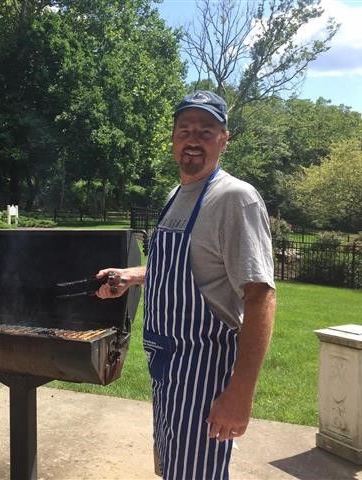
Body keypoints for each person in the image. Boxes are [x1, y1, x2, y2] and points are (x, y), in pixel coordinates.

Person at [96, 91, 276, 479]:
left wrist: (240, 393)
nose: (193, 139)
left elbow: (260, 296)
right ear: (174, 138)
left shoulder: (234, 198)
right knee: (176, 470)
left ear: (224, 139)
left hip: (205, 372)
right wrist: (132, 277)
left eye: (206, 131)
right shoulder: (176, 195)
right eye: (185, 130)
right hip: (167, 367)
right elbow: (185, 268)